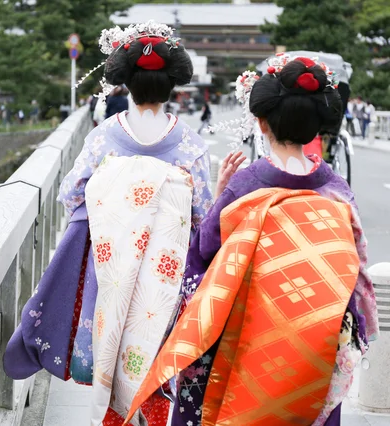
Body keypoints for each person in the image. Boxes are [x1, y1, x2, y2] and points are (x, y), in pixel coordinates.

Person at [4, 21, 243, 426]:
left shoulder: (104, 138)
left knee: (113, 348)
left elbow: (71, 194)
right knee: (152, 354)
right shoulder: (188, 144)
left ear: (126, 86)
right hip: (166, 274)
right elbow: (202, 216)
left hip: (111, 268)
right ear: (172, 88)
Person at [129, 56, 379, 426]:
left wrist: (219, 194)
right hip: (318, 336)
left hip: (246, 337)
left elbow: (203, 254)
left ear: (261, 122)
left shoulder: (246, 186)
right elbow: (355, 268)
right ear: (317, 126)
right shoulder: (338, 192)